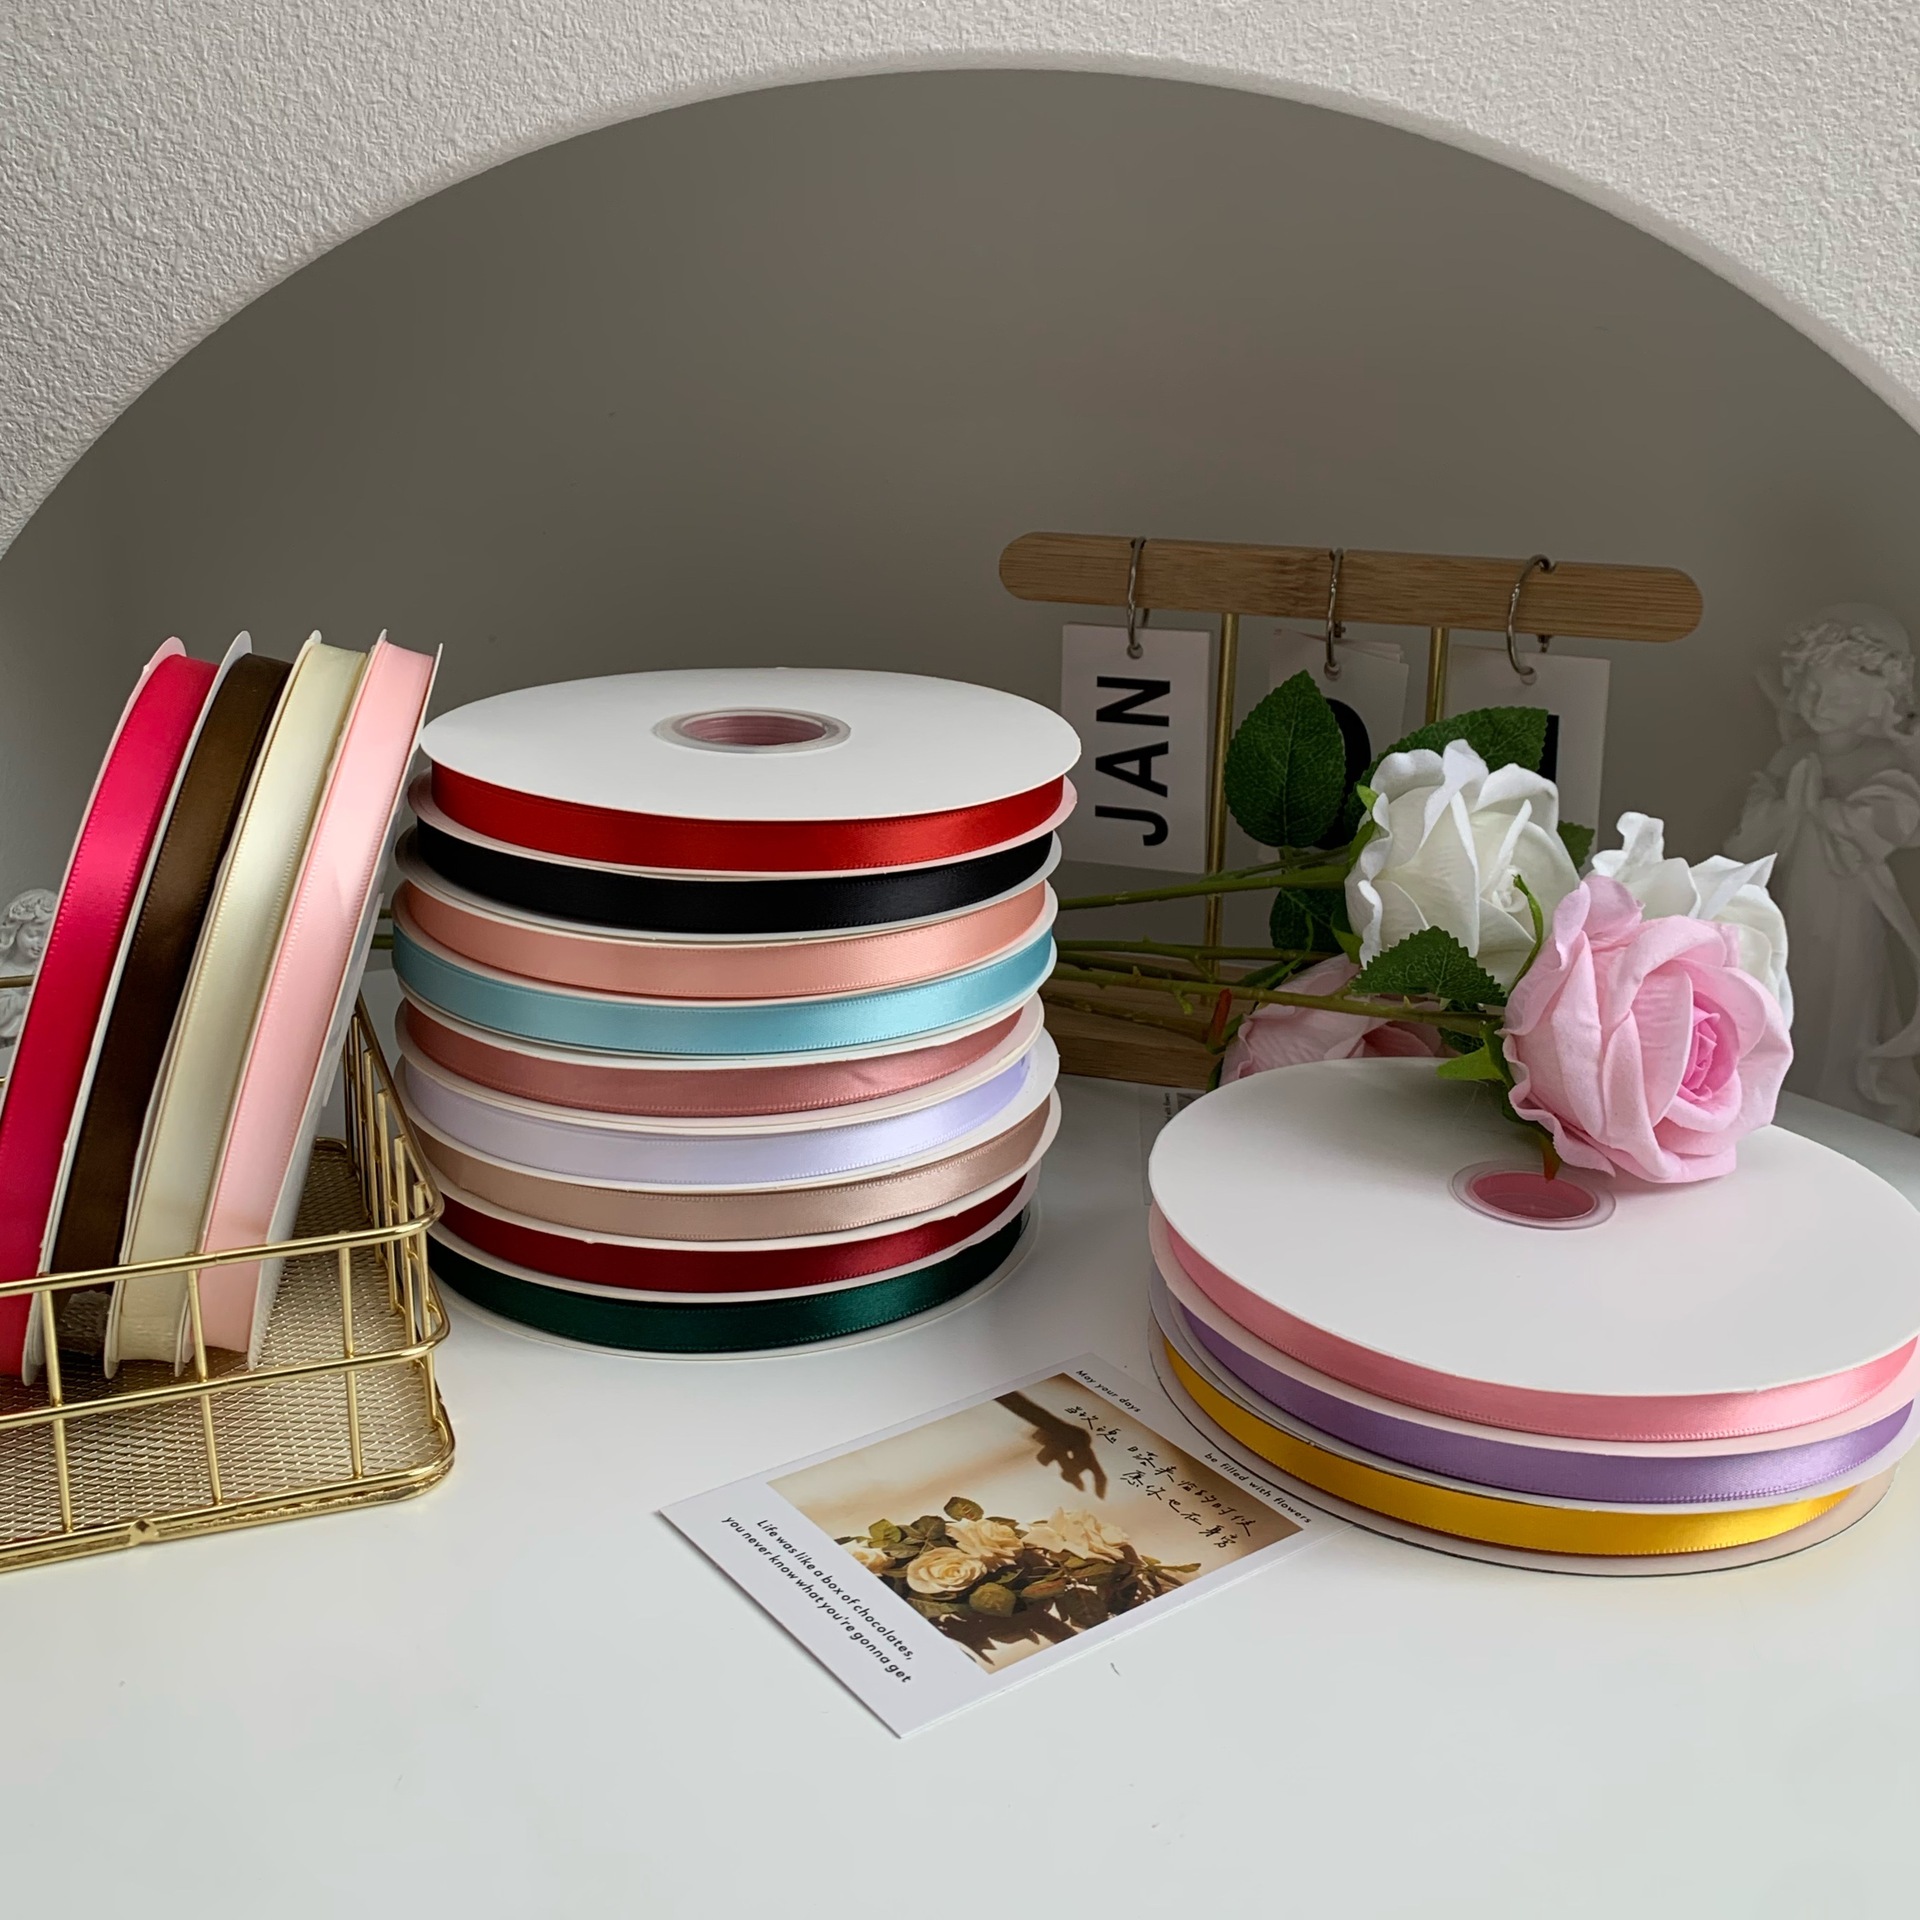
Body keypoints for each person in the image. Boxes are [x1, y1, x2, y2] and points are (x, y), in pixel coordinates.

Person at [1729, 605, 1920, 1128]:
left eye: (1841, 697)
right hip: (1790, 898)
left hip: (1851, 904)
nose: (1820, 705)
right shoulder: (1792, 759)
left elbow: (1896, 821)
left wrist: (1828, 811)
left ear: (1879, 701)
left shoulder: (1882, 762)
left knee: (1847, 991)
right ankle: (1786, 1087)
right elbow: (1748, 839)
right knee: (1786, 982)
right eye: (1812, 690)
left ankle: (1840, 1095)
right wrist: (1789, 807)